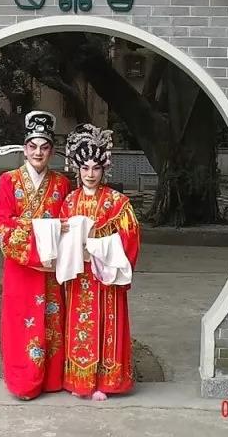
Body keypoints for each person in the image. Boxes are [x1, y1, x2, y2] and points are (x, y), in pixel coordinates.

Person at [0, 110, 71, 400]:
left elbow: (68, 225)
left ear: (51, 150)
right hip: (20, 268)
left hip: (51, 269)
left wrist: (57, 233)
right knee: (21, 322)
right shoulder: (8, 181)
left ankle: (50, 380)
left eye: (44, 147)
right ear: (24, 149)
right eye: (33, 146)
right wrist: (48, 228)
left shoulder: (62, 184)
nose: (38, 152)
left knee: (51, 323)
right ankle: (22, 382)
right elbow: (4, 227)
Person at [61, 124, 141, 401]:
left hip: (106, 277)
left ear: (104, 168)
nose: (90, 174)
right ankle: (80, 380)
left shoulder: (117, 203)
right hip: (79, 276)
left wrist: (99, 247)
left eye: (96, 168)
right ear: (77, 168)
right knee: (80, 326)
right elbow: (61, 238)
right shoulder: (69, 202)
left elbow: (130, 239)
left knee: (108, 325)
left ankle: (107, 381)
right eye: (85, 168)